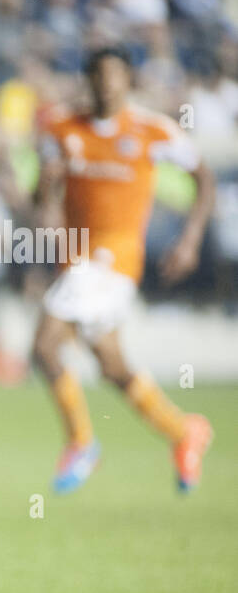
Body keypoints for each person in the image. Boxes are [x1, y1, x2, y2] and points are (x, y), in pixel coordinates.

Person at [33, 45, 215, 494]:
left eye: (115, 76)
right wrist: (47, 183)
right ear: (88, 79)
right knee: (112, 365)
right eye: (98, 75)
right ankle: (184, 431)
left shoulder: (152, 130)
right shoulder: (61, 128)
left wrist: (189, 238)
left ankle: (81, 443)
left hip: (114, 261)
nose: (106, 84)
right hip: (77, 261)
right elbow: (41, 199)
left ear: (128, 81)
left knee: (45, 344)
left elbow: (204, 177)